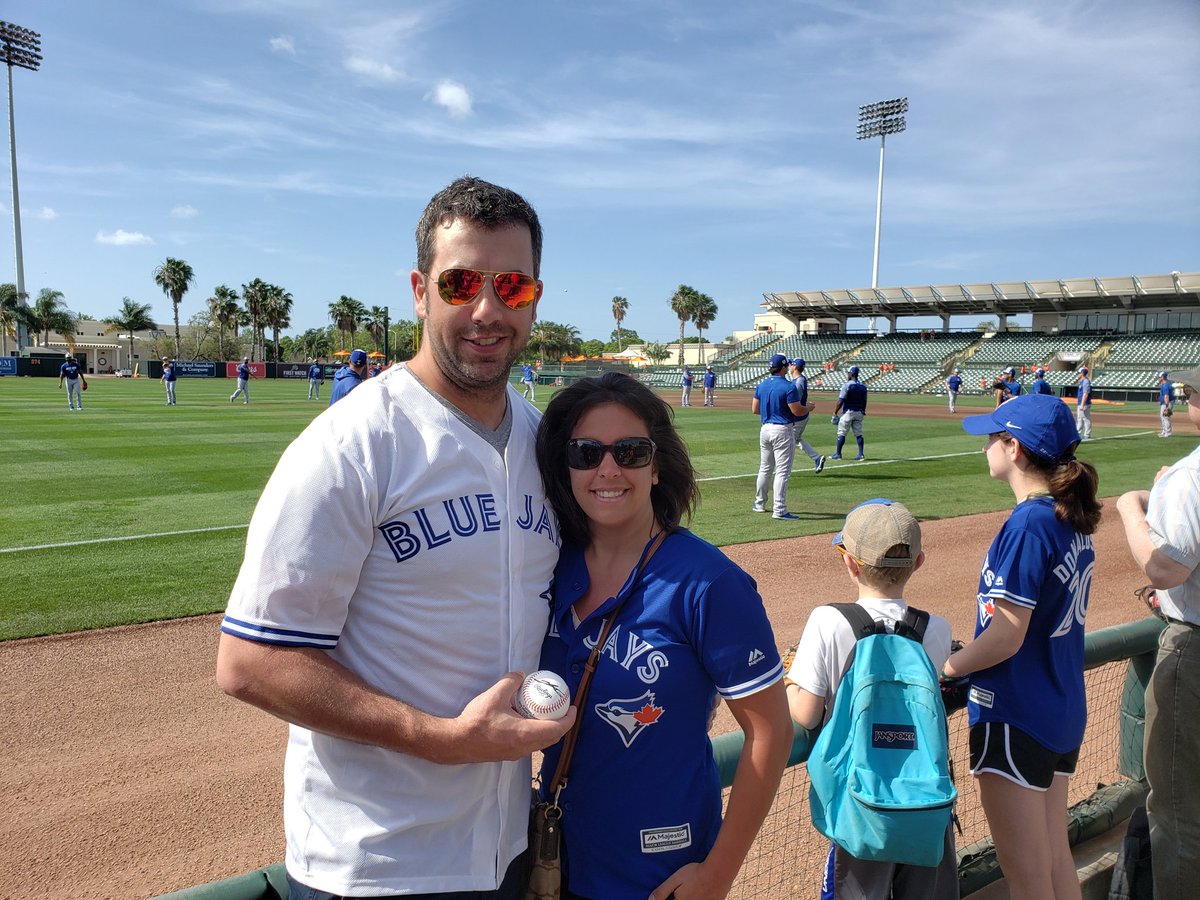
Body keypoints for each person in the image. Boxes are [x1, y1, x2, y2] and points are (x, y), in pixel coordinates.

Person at [216, 175, 573, 898]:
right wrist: (437, 739)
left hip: (503, 848)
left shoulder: (546, 443)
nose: (486, 309)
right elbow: (251, 661)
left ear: (535, 294)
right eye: (460, 282)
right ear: (420, 290)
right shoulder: (352, 443)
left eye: (512, 286)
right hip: (375, 865)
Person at [533, 372, 791, 900]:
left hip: (658, 876)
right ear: (566, 467)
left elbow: (772, 732)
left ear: (656, 466)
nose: (607, 469)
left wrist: (718, 874)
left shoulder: (709, 582)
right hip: (554, 862)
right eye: (586, 453)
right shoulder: (545, 567)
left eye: (629, 452)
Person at [942, 392, 1102, 899]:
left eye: (994, 435)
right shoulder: (1065, 518)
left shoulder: (1029, 524)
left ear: (1015, 449)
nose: (986, 443)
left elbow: (1007, 635)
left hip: (1015, 711)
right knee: (1055, 859)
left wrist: (947, 666)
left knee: (1027, 875)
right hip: (1058, 706)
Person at [786, 499, 957, 900]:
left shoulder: (828, 620)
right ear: (918, 563)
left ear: (849, 562)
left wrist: (789, 680)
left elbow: (807, 714)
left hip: (861, 807)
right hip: (927, 803)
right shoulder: (937, 629)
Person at [1115, 365, 1200, 900]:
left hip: (1193, 650)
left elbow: (1167, 569)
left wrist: (1131, 508)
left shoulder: (1190, 477)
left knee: (1177, 809)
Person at [752, 353, 804, 519]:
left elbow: (755, 409)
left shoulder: (762, 385)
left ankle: (759, 504)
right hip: (782, 429)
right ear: (784, 367)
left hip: (765, 428)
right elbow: (797, 410)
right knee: (782, 471)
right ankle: (779, 509)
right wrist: (808, 407)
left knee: (765, 468)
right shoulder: (789, 386)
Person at [790, 358, 825, 473]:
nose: (789, 366)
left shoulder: (798, 381)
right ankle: (817, 458)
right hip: (800, 415)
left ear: (795, 367)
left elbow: (796, 402)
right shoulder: (799, 380)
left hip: (798, 417)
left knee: (788, 444)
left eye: (791, 365)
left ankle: (784, 470)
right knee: (796, 440)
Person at [831, 365, 867, 461]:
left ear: (851, 374)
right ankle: (861, 454)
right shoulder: (863, 386)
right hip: (859, 412)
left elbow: (840, 400)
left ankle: (838, 454)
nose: (847, 375)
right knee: (858, 433)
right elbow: (864, 401)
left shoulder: (847, 385)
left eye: (848, 373)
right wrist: (863, 411)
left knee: (841, 433)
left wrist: (835, 412)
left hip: (848, 412)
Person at [1075, 366, 1093, 440]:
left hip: (1084, 403)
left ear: (1082, 373)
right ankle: (1079, 433)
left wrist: (1082, 404)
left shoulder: (1085, 381)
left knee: (1085, 419)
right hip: (1081, 403)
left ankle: (1085, 434)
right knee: (1080, 418)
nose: (1077, 375)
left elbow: (1085, 394)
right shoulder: (1082, 381)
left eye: (1078, 373)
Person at [1157, 370, 1174, 437]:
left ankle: (1168, 432)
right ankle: (1164, 431)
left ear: (1162, 377)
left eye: (1159, 377)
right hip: (1165, 403)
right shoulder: (1165, 384)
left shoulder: (1166, 385)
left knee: (1166, 417)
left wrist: (1167, 406)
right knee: (1162, 417)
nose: (1158, 378)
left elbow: (1166, 396)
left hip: (1167, 403)